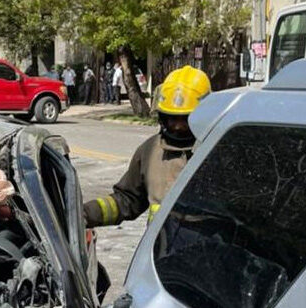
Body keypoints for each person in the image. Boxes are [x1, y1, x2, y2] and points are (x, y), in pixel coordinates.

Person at [83, 66, 210, 228]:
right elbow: (127, 199)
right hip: (160, 251)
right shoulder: (150, 151)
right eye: (172, 119)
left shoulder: (217, 152)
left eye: (185, 119)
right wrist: (85, 214)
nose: (178, 127)